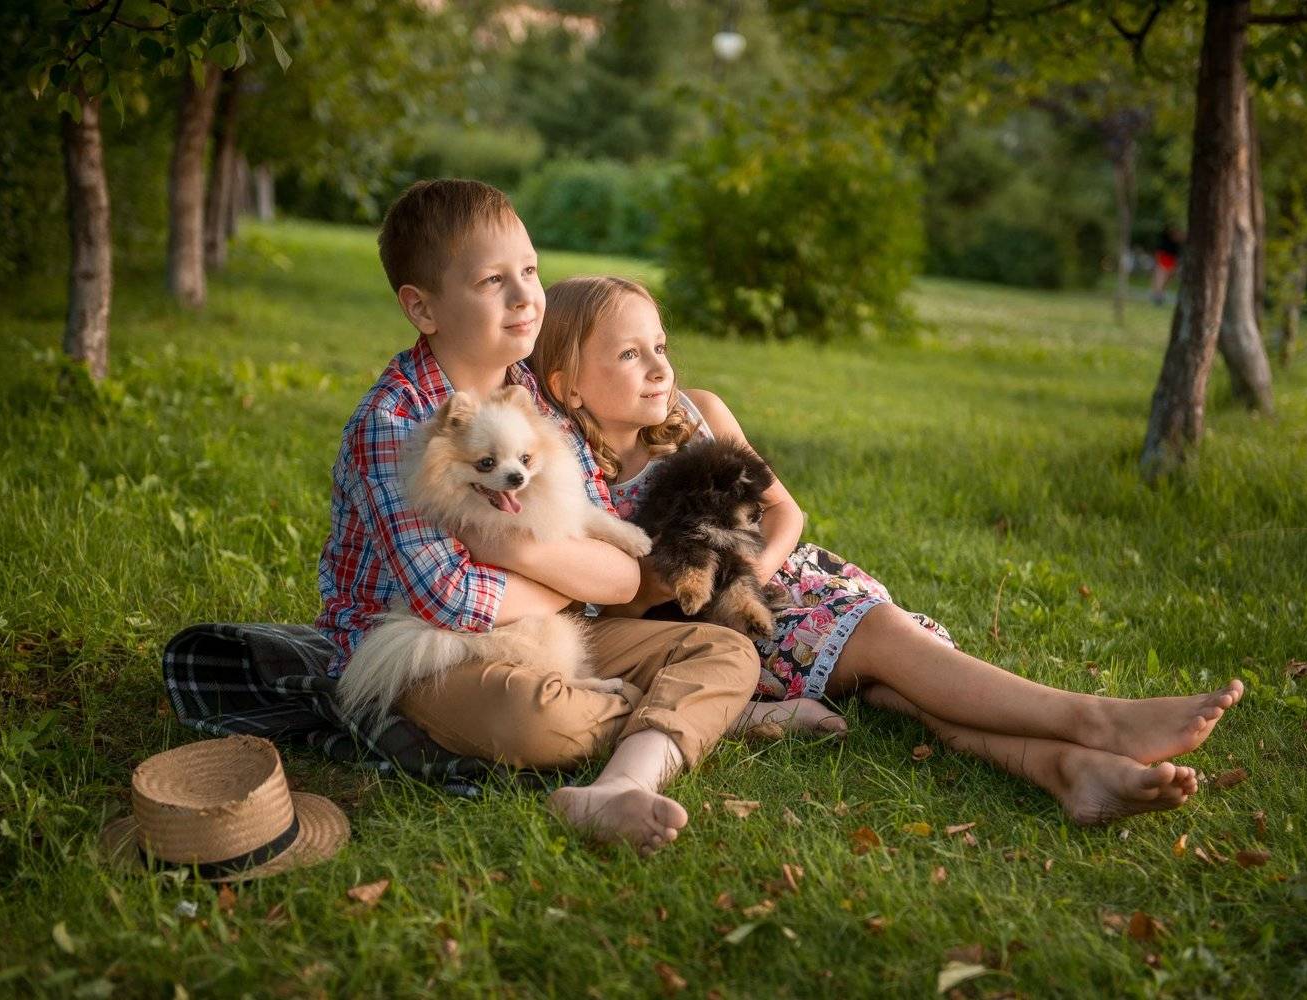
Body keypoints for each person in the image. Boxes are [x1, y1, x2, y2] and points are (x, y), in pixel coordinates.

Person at [531, 275, 1246, 825]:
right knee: (888, 649)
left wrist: (758, 573)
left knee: (898, 686)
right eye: (630, 354)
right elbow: (612, 601)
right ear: (568, 385)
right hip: (714, 634)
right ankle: (1094, 721)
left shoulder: (701, 413)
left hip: (781, 582)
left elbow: (784, 510)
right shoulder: (569, 477)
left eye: (660, 346)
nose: (659, 367)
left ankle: (1070, 769)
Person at [315, 181, 761, 854]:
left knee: (724, 650)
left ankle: (622, 778)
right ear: (422, 307)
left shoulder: (534, 401)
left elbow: (623, 574)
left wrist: (514, 553)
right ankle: (682, 716)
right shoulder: (395, 422)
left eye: (529, 270)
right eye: (493, 281)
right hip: (433, 655)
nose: (526, 297)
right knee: (536, 720)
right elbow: (449, 600)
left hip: (548, 633)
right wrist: (566, 578)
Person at [1151, 225, 1184, 305]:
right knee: (1160, 278)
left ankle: (1159, 295)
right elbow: (1159, 252)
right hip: (1164, 259)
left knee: (1166, 279)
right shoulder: (1165, 242)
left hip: (1171, 260)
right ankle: (1157, 295)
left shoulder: (1175, 244)